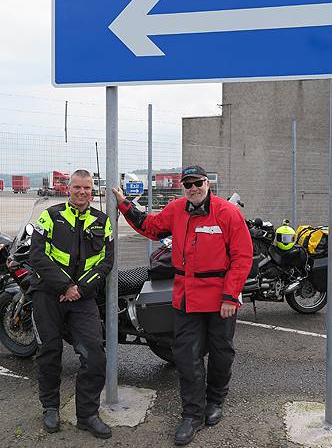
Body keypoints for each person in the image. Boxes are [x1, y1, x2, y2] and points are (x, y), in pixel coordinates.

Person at [113, 165, 253, 446]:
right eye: (187, 184)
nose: (193, 188)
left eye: (197, 182)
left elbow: (242, 257)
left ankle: (215, 401)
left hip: (220, 300)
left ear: (207, 183)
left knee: (221, 354)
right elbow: (151, 227)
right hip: (187, 298)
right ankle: (192, 415)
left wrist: (229, 296)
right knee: (186, 358)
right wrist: (125, 206)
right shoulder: (177, 209)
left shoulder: (228, 213)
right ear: (183, 188)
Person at [29, 169, 114, 439]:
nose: (82, 192)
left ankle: (87, 415)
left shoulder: (103, 221)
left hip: (83, 297)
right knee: (49, 351)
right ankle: (51, 408)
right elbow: (37, 255)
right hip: (49, 294)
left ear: (92, 190)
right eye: (77, 187)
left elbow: (106, 261)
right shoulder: (50, 216)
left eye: (87, 188)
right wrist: (65, 286)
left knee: (94, 354)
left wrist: (79, 289)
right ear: (68, 189)